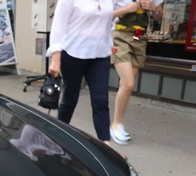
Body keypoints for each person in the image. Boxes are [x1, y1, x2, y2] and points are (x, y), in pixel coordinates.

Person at [47, 0, 140, 145]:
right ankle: (58, 138)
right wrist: (56, 57)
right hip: (73, 52)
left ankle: (106, 146)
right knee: (70, 99)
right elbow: (59, 24)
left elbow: (125, 4)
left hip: (100, 54)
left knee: (101, 101)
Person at [111, 0, 164, 145]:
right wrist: (127, 9)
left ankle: (117, 123)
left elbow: (159, 16)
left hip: (140, 39)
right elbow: (104, 15)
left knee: (126, 85)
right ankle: (116, 124)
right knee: (128, 84)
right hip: (119, 36)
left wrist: (154, 8)